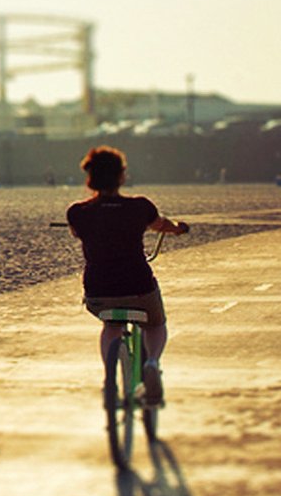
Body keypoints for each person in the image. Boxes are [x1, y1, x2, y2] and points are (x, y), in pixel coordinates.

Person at [66, 146, 189, 406]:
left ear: (91, 178)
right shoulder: (140, 207)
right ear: (121, 176)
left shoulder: (77, 212)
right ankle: (152, 362)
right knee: (155, 324)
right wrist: (178, 229)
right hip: (138, 287)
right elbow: (162, 225)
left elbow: (78, 233)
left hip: (99, 292)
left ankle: (110, 377)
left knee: (111, 325)